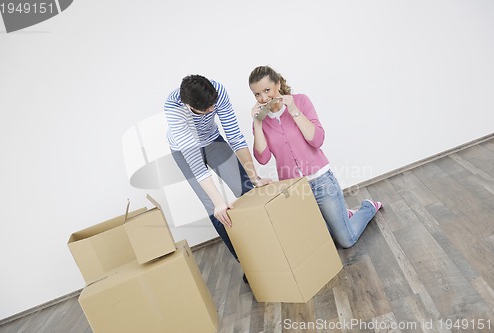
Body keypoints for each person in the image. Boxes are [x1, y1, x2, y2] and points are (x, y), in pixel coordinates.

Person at [248, 66, 383, 248]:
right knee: (321, 240)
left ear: (278, 84)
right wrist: (257, 123)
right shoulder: (262, 121)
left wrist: (293, 109)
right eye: (257, 94)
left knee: (346, 240)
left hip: (321, 181)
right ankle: (345, 216)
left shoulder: (301, 101)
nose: (263, 98)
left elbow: (317, 140)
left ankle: (367, 207)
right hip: (294, 189)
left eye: (267, 90)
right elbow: (263, 158)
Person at [164, 74, 271, 264]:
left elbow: (234, 136)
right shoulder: (174, 108)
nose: (212, 109)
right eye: (206, 110)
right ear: (189, 107)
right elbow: (195, 162)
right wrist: (218, 202)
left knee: (247, 189)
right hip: (184, 151)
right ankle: (247, 262)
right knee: (216, 209)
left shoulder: (217, 90)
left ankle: (267, 245)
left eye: (213, 104)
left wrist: (254, 177)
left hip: (212, 141)